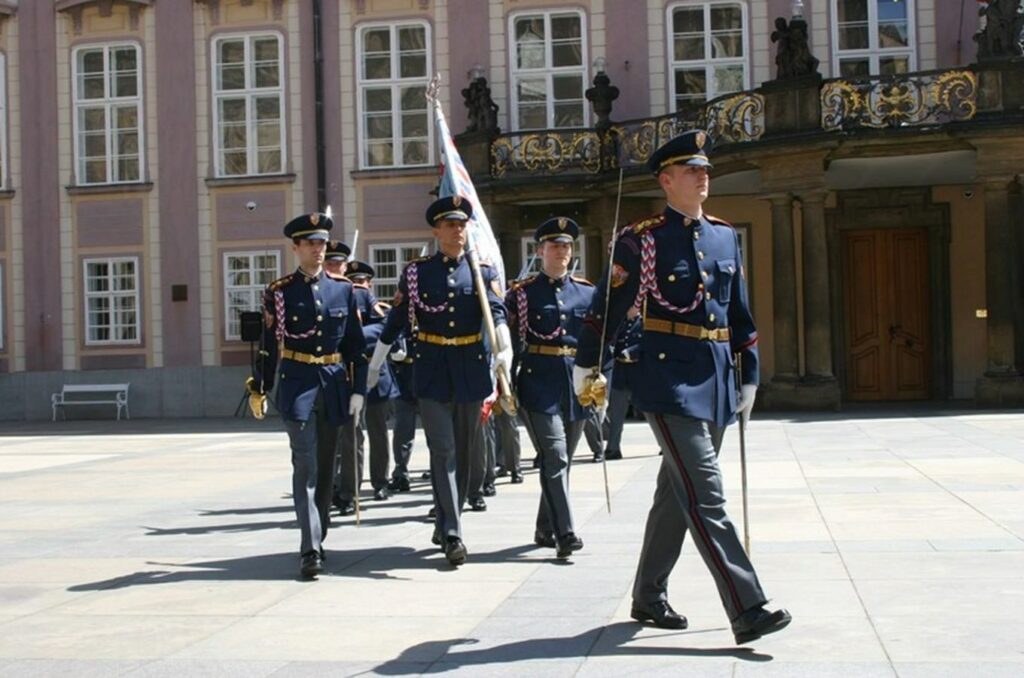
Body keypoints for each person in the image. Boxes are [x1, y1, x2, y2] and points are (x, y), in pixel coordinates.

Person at [574, 130, 791, 644]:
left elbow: (739, 312)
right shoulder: (641, 238)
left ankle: (648, 595)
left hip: (715, 376)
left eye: (706, 169)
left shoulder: (723, 235)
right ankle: (748, 607)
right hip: (667, 378)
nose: (703, 176)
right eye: (692, 170)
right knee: (706, 494)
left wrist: (750, 373)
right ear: (666, 180)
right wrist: (590, 369)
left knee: (676, 493)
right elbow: (608, 307)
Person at [368, 195, 511, 567]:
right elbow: (397, 318)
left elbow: (496, 310)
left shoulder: (482, 271)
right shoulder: (417, 272)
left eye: (462, 224)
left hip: (469, 367)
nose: (457, 230)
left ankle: (449, 514)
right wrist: (377, 359)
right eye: (450, 224)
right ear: (437, 230)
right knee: (443, 449)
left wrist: (503, 343)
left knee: (465, 452)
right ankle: (452, 532)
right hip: (431, 367)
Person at [247, 212, 367, 580]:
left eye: (321, 243)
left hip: (333, 383)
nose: (317, 250)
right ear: (296, 248)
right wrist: (261, 386)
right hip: (298, 383)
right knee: (307, 465)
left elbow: (355, 347)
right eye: (310, 244)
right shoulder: (280, 291)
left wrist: (359, 390)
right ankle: (309, 547)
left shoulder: (344, 289)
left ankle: (320, 531)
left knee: (327, 467)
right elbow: (269, 345)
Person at [506, 216, 594, 558]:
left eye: (567, 246)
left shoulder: (586, 292)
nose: (562, 251)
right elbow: (507, 338)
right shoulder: (523, 294)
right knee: (555, 455)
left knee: (562, 460)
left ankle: (545, 526)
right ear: (540, 250)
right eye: (555, 246)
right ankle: (565, 532)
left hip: (575, 382)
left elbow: (598, 338)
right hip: (538, 379)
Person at [334, 260, 395, 510]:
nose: (359, 285)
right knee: (351, 436)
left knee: (378, 431)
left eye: (362, 281)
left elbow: (383, 327)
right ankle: (349, 490)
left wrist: (355, 336)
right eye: (354, 279)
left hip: (374, 370)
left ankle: (380, 482)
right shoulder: (339, 294)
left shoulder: (368, 300)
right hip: (349, 373)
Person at [602, 309, 643, 461]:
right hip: (620, 373)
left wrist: (631, 351)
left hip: (639, 373)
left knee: (653, 414)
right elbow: (611, 342)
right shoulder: (620, 324)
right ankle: (613, 448)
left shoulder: (644, 322)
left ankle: (663, 446)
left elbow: (649, 342)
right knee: (617, 415)